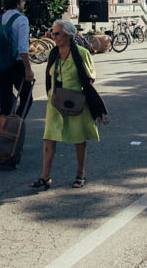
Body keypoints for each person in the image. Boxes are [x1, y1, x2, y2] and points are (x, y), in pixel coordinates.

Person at [30, 20, 98, 190]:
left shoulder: (81, 53)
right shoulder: (53, 53)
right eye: (53, 33)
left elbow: (90, 78)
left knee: (79, 139)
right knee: (49, 138)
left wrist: (84, 97)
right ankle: (45, 177)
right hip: (55, 101)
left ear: (68, 35)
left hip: (76, 102)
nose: (53, 36)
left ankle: (80, 174)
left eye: (56, 33)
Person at [0, 0, 35, 116]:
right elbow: (22, 47)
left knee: (5, 101)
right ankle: (16, 125)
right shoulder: (21, 20)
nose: (23, 4)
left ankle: (4, 129)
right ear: (17, 4)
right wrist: (28, 69)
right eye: (23, 2)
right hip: (17, 64)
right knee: (27, 98)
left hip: (1, 65)